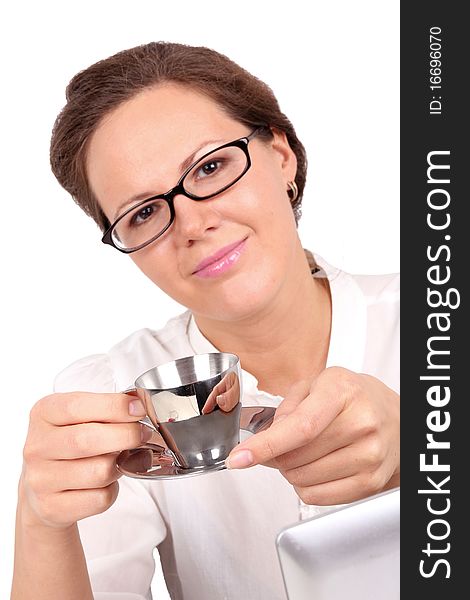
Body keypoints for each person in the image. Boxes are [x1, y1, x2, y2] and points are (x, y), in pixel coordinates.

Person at [11, 42, 400, 600]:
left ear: (282, 157)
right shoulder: (111, 401)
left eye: (211, 166)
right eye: (143, 212)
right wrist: (41, 524)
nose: (191, 222)